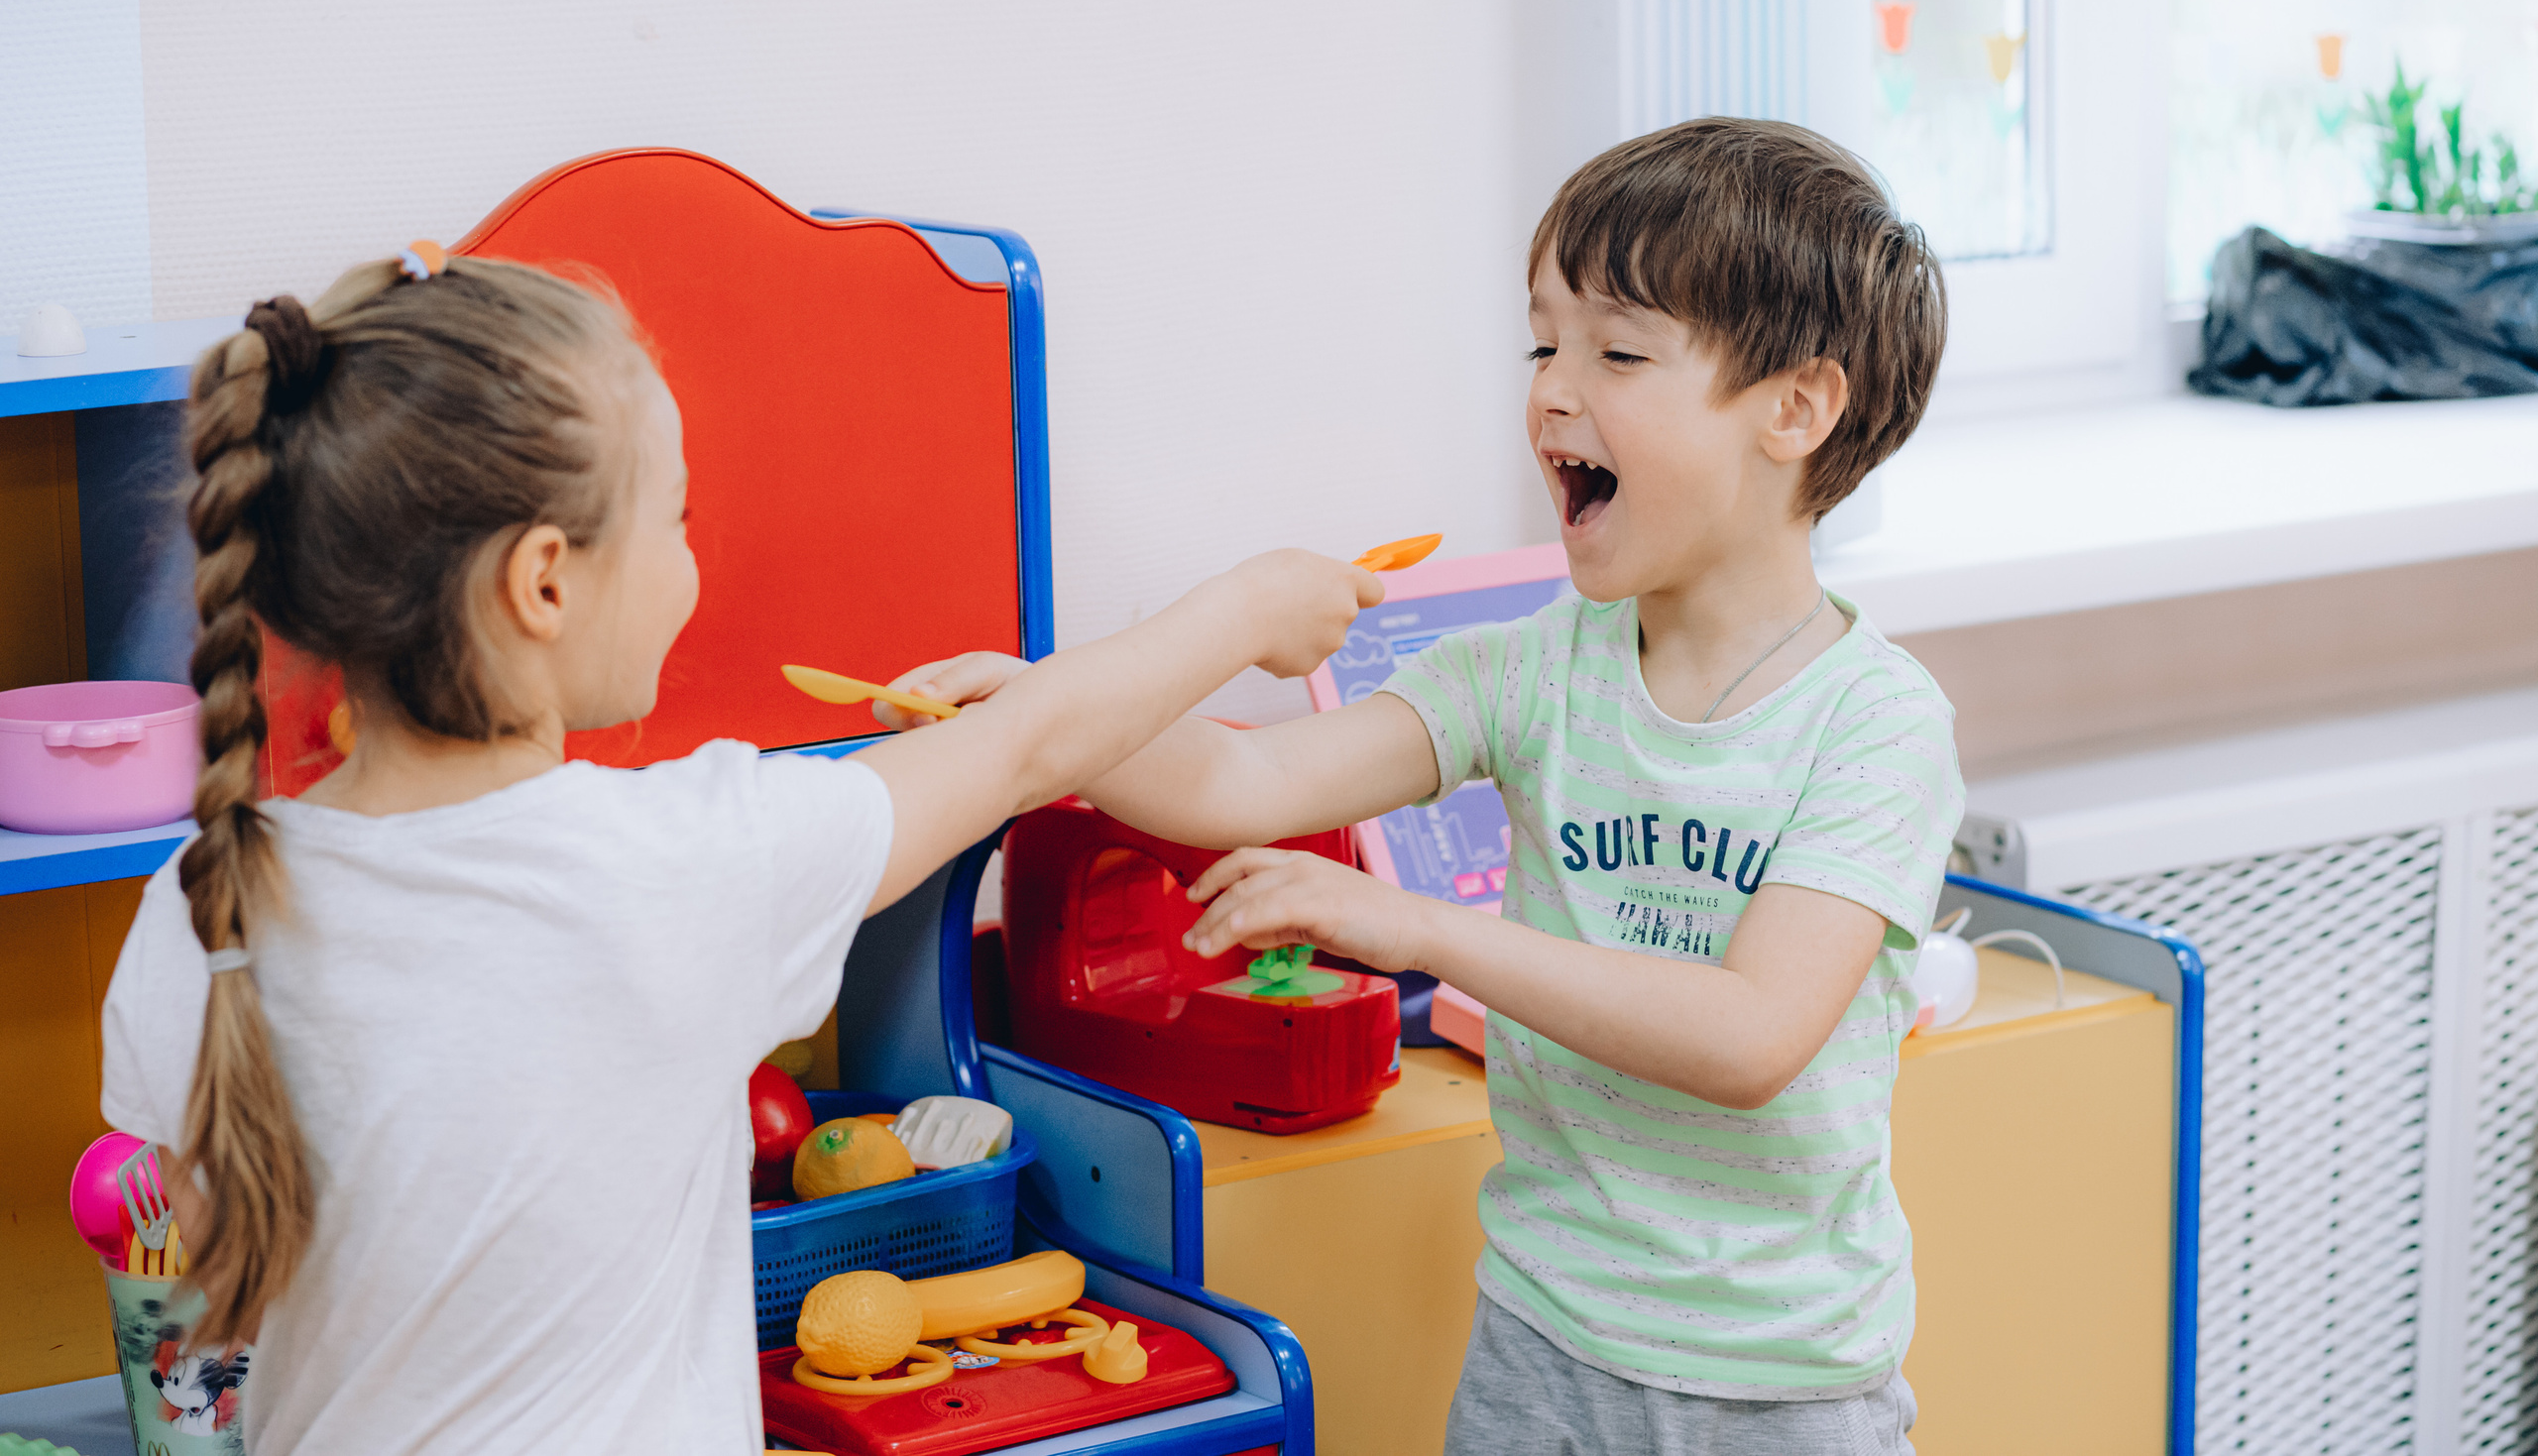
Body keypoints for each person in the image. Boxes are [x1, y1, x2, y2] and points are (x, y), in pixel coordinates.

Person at [97, 247, 1378, 1454]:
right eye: (677, 517)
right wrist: (1252, 609)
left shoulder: (199, 905)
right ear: (545, 582)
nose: (691, 560)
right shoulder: (679, 868)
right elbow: (1028, 748)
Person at [895, 119, 1961, 1454]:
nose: (1554, 394)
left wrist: (1417, 932)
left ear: (1796, 410)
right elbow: (1239, 776)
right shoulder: (1529, 673)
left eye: (1618, 352)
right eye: (1544, 345)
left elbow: (1750, 1037)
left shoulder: (1876, 724)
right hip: (1540, 1342)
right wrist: (1042, 708)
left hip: (1785, 1390)